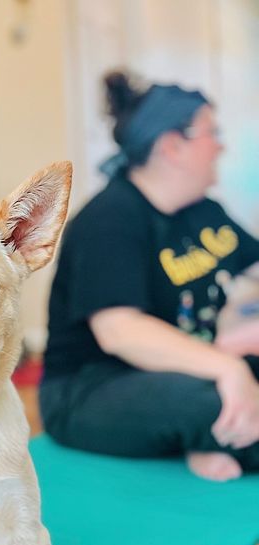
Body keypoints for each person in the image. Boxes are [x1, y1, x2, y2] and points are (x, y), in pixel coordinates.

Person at [40, 71, 259, 481]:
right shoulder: (109, 218)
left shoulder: (205, 212)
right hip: (89, 390)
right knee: (220, 403)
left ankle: (192, 440)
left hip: (175, 370)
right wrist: (229, 369)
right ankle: (195, 433)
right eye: (213, 133)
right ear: (172, 146)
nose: (222, 146)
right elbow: (120, 332)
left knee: (234, 392)